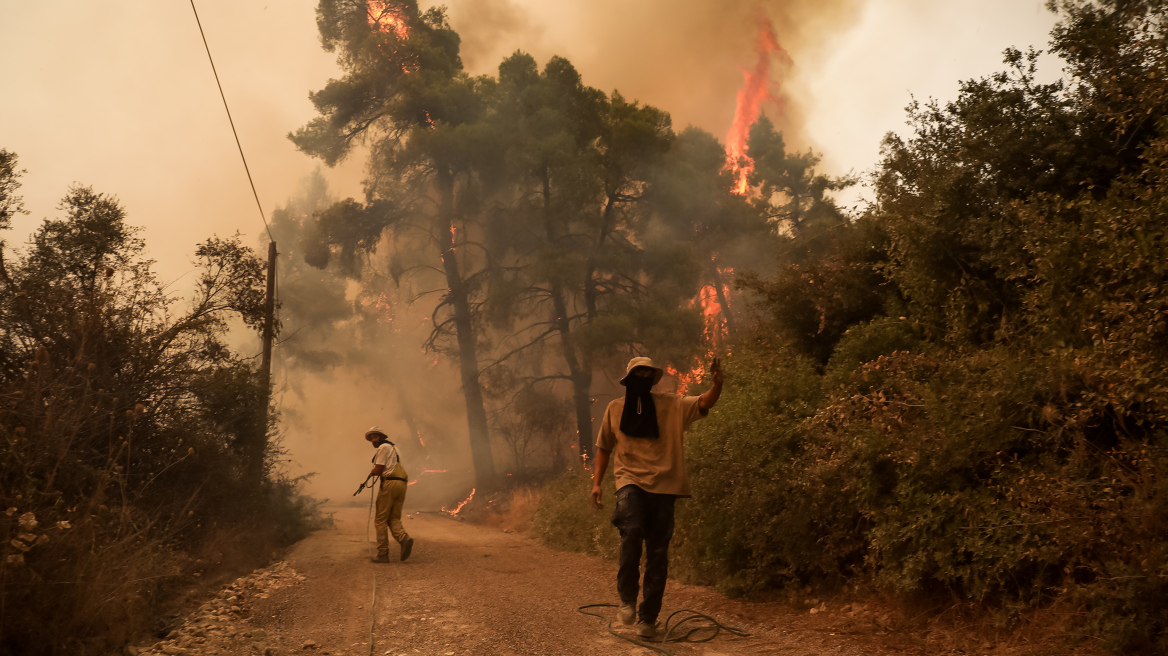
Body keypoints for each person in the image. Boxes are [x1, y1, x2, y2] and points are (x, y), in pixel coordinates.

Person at [590, 355, 724, 639]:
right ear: (628, 380)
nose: (642, 379)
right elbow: (603, 446)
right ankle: (627, 598)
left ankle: (647, 618)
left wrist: (717, 385)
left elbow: (703, 402)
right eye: (637, 374)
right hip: (629, 482)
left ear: (652, 380)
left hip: (665, 486)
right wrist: (597, 483)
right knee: (632, 530)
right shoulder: (615, 409)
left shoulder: (671, 405)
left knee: (658, 554)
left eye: (647, 375)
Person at [365, 427, 414, 563]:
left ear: (382, 437)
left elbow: (379, 469)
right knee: (394, 517)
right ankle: (404, 538)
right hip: (402, 484)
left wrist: (373, 471)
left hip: (390, 484)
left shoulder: (383, 448)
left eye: (375, 437)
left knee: (380, 520)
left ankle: (383, 554)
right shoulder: (395, 448)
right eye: (371, 438)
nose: (373, 440)